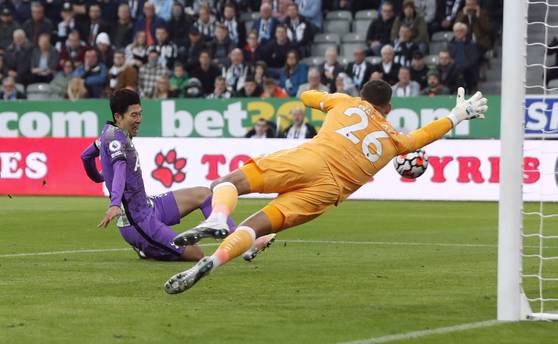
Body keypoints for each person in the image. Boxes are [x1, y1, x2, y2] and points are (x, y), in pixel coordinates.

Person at [164, 81, 488, 294]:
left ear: (363, 97)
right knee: (257, 224)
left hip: (310, 159)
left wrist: (326, 99)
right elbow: (425, 135)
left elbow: (305, 97)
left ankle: (219, 217)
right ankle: (213, 261)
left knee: (227, 183)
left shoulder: (345, 103)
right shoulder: (396, 140)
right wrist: (457, 115)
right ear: (388, 108)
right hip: (328, 191)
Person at [80, 89, 274, 262]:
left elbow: (85, 156)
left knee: (205, 194)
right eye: (134, 115)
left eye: (140, 114)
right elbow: (120, 169)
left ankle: (243, 243)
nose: (139, 119)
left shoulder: (110, 133)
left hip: (149, 206)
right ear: (118, 116)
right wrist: (114, 203)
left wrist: (100, 176)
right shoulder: (116, 141)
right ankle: (147, 249)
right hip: (138, 223)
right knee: (196, 255)